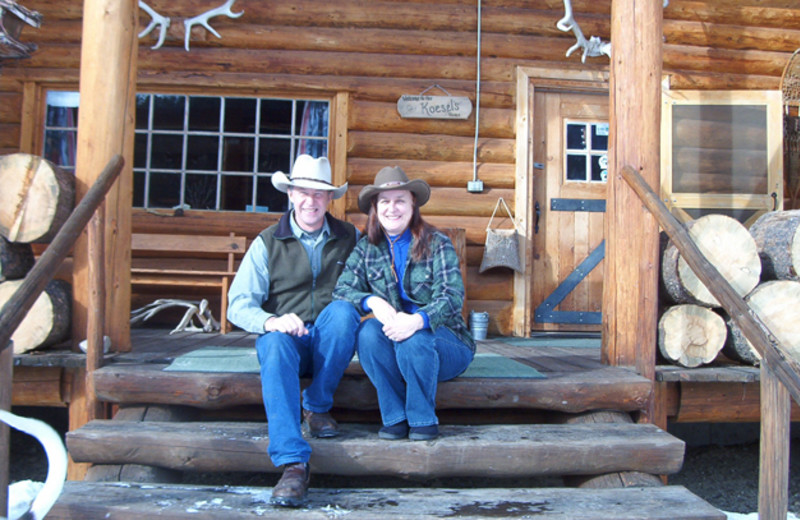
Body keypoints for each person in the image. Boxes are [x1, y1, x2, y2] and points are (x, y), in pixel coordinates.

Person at [227, 154, 360, 508]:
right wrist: (271, 321)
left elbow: (372, 288)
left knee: (345, 312)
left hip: (332, 341)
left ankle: (316, 405)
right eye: (303, 191)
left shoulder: (352, 238)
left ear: (330, 198)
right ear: (290, 194)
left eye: (319, 194)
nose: (311, 201)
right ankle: (293, 463)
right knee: (272, 344)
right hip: (288, 342)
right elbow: (237, 304)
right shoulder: (267, 242)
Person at [333, 165, 474, 442]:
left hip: (447, 344)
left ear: (413, 205)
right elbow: (342, 289)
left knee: (415, 338)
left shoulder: (437, 243)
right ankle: (395, 417)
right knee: (368, 333)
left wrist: (418, 320)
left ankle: (423, 420)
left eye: (400, 200)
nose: (392, 208)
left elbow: (452, 296)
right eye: (384, 201)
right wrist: (371, 300)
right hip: (396, 343)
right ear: (375, 207)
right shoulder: (366, 248)